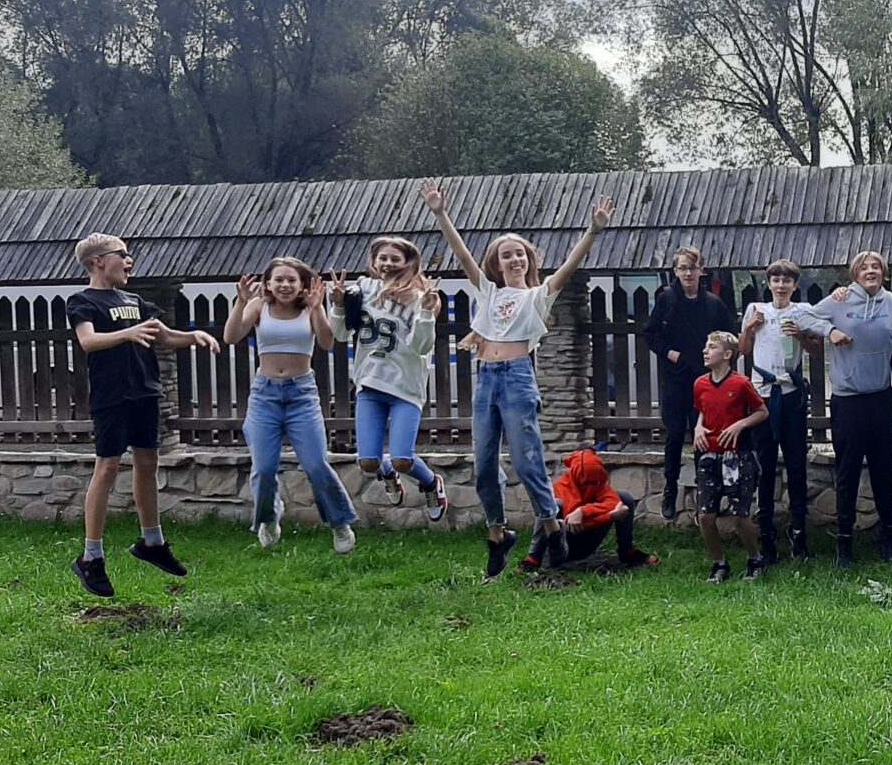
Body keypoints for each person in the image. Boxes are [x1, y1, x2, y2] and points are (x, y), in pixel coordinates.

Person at [422, 181, 614, 579]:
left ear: (529, 260)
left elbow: (568, 268)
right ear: (496, 263)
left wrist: (593, 231)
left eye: (520, 254)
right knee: (483, 465)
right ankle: (498, 534)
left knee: (527, 463)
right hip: (486, 380)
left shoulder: (538, 296)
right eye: (506, 255)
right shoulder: (488, 292)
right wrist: (440, 213)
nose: (514, 259)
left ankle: (550, 523)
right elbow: (462, 254)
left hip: (517, 379)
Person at [66, 233, 221, 598]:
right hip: (112, 396)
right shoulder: (83, 301)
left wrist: (194, 336)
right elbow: (88, 341)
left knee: (148, 463)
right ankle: (91, 557)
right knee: (107, 467)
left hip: (145, 392)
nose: (129, 260)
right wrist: (127, 333)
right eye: (122, 254)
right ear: (98, 261)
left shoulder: (134, 301)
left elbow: (165, 336)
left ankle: (152, 543)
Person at [222, 257, 359, 555]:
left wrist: (317, 307)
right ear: (268, 284)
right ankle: (268, 518)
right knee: (264, 468)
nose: (285, 285)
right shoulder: (259, 306)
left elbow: (327, 342)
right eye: (279, 280)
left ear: (302, 284)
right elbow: (231, 336)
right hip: (265, 395)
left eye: (291, 280)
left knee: (316, 465)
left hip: (302, 395)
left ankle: (339, 523)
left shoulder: (309, 309)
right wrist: (240, 302)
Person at [794, 251, 892, 568]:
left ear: (884, 273)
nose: (870, 271)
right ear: (854, 274)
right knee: (847, 473)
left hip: (880, 399)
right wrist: (829, 331)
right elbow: (802, 318)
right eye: (864, 267)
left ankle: (889, 537)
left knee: (883, 471)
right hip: (848, 402)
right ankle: (844, 542)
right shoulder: (840, 300)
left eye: (876, 267)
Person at [329, 236, 448, 524]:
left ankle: (431, 483)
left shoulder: (420, 296)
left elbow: (422, 346)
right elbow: (341, 334)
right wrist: (339, 305)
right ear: (373, 260)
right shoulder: (362, 289)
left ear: (408, 262)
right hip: (370, 383)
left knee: (403, 459)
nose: (388, 264)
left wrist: (426, 312)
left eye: (396, 259)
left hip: (405, 386)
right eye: (383, 258)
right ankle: (388, 475)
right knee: (368, 463)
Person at [644, 247, 735, 523]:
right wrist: (670, 354)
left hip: (704, 381)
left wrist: (718, 362)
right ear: (676, 271)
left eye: (692, 268)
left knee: (703, 437)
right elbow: (651, 335)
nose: (688, 273)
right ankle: (670, 489)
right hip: (675, 378)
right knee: (674, 436)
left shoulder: (713, 304)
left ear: (701, 271)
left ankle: (704, 494)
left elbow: (730, 337)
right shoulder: (666, 299)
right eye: (683, 268)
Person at [739, 259, 816, 563]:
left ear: (795, 285)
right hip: (762, 396)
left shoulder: (802, 311)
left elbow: (818, 349)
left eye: (787, 281)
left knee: (796, 465)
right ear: (769, 284)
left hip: (791, 394)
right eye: (776, 280)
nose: (781, 286)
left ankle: (799, 533)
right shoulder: (756, 310)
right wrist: (750, 327)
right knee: (765, 465)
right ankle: (766, 534)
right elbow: (744, 349)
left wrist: (801, 336)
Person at [692, 330, 769, 582]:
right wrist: (698, 427)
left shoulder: (741, 383)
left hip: (738, 455)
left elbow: (762, 411)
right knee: (705, 516)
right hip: (709, 455)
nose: (705, 351)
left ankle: (755, 559)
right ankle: (720, 564)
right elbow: (702, 409)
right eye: (706, 346)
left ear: (727, 355)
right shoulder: (700, 383)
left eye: (711, 347)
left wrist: (740, 425)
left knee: (739, 516)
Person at [527, 449, 659, 573]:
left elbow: (614, 503)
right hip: (561, 548)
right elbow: (573, 525)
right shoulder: (561, 488)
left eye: (594, 482)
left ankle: (628, 553)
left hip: (587, 544)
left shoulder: (599, 483)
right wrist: (609, 516)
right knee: (554, 505)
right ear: (575, 476)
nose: (590, 486)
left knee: (624, 498)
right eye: (585, 482)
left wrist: (583, 511)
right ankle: (533, 560)